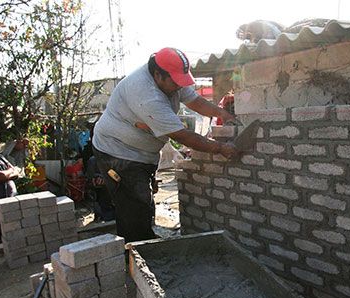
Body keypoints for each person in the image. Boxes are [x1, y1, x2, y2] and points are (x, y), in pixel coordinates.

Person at [93, 47, 240, 242]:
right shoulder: (146, 94)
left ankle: (143, 241)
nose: (180, 87)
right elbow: (181, 136)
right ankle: (137, 253)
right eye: (176, 83)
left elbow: (195, 101)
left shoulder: (172, 78)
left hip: (142, 153)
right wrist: (220, 148)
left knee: (143, 201)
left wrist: (222, 114)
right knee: (133, 205)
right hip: (118, 153)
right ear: (157, 75)